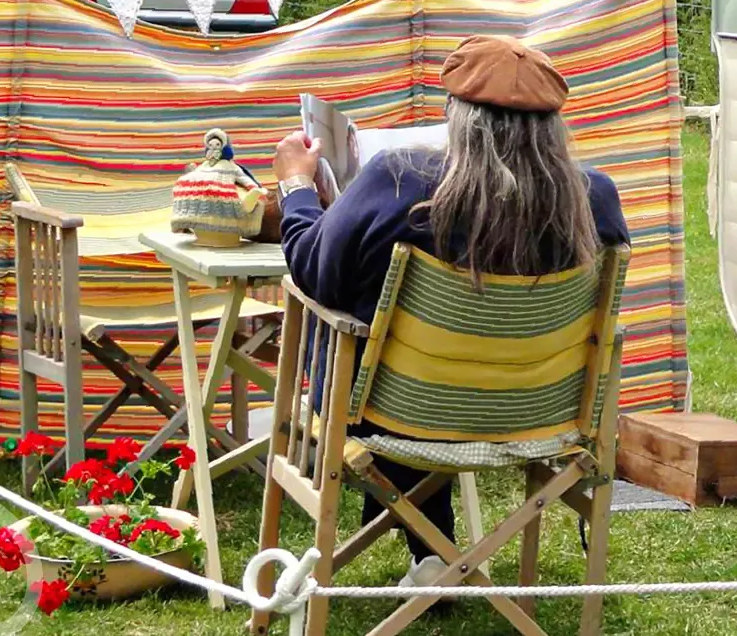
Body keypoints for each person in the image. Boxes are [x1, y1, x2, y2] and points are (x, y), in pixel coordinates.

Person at [269, 34, 629, 588]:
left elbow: (314, 272)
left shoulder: (398, 180)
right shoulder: (595, 199)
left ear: (457, 118)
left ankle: (428, 550)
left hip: (397, 411)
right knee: (410, 365)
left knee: (365, 342)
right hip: (539, 415)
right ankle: (430, 554)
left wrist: (296, 187)